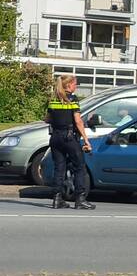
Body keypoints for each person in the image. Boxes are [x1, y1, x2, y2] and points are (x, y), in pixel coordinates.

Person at [45, 74, 94, 210]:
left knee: (59, 168)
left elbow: (47, 119)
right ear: (68, 85)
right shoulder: (72, 99)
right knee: (79, 167)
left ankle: (57, 199)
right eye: (74, 84)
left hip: (55, 138)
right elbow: (78, 121)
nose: (76, 86)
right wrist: (85, 139)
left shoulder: (53, 100)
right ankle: (80, 200)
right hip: (69, 137)